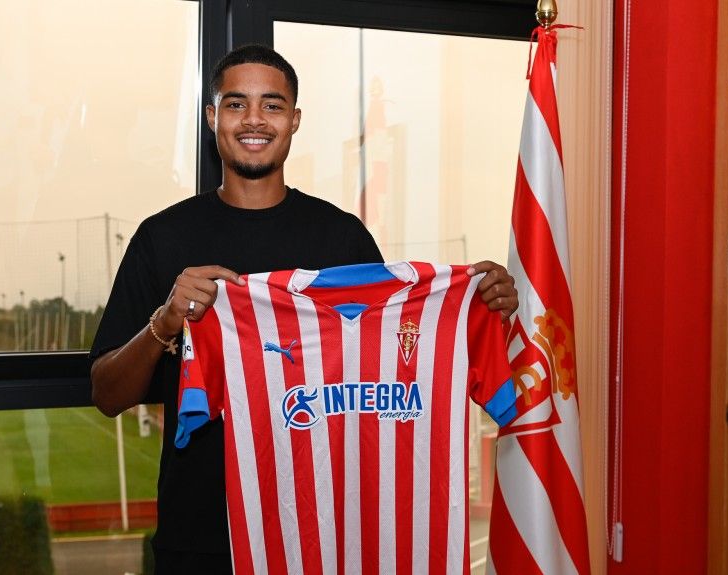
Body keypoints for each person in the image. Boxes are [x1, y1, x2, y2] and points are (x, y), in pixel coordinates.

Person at [89, 44, 519, 574]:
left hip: (329, 533)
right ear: (212, 117)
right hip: (202, 536)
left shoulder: (342, 237)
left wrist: (476, 305)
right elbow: (107, 395)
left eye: (271, 105)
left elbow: (398, 360)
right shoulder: (162, 238)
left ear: (294, 120)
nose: (253, 119)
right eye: (235, 103)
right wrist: (164, 322)